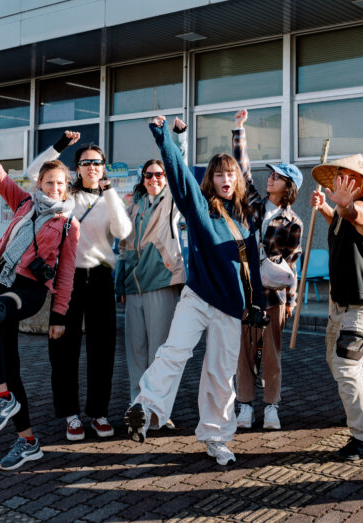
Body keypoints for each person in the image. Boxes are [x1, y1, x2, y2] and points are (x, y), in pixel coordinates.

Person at [124, 115, 267, 466]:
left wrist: (258, 304)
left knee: (220, 375)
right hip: (198, 296)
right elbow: (181, 177)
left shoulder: (247, 218)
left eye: (230, 174)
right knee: (173, 351)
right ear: (211, 179)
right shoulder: (202, 209)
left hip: (231, 307)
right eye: (219, 174)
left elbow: (253, 269)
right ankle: (146, 407)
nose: (226, 179)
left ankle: (216, 438)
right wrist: (164, 139)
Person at [0, 114, 80, 471]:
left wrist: (59, 316)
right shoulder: (24, 203)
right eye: (49, 181)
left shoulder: (67, 224)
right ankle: (27, 441)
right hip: (1, 282)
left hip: (29, 292)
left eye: (60, 183)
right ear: (40, 183)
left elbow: (64, 276)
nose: (54, 188)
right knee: (9, 365)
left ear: (67, 186)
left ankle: (0, 397)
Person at [29, 132, 132, 442]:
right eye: (85, 163)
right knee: (63, 348)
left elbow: (123, 231)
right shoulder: (64, 197)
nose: (91, 167)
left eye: (97, 163)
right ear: (76, 168)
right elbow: (34, 173)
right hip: (67, 278)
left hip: (100, 277)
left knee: (103, 348)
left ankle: (99, 413)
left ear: (103, 167)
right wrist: (60, 146)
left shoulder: (110, 197)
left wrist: (109, 191)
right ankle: (70, 415)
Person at [309, 154, 363, 462]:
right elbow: (341, 221)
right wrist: (326, 209)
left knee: (345, 366)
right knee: (337, 361)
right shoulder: (343, 212)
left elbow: (355, 215)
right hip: (340, 302)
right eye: (340, 176)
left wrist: (343, 205)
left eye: (350, 177)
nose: (343, 181)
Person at [231, 109, 303, 431]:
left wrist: (291, 303)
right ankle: (244, 406)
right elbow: (242, 172)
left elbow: (292, 264)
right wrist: (239, 129)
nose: (268, 178)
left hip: (275, 297)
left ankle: (271, 406)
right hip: (247, 290)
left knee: (271, 353)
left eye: (276, 176)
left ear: (287, 187)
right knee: (245, 349)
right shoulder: (255, 205)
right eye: (271, 174)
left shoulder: (294, 223)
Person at [115, 118, 188, 410]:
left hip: (162, 281)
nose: (154, 179)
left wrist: (177, 136)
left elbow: (178, 167)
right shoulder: (133, 206)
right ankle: (138, 404)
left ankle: (159, 407)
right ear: (142, 178)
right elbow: (122, 248)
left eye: (159, 174)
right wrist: (119, 284)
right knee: (135, 351)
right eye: (149, 175)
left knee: (160, 350)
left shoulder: (172, 199)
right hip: (134, 287)